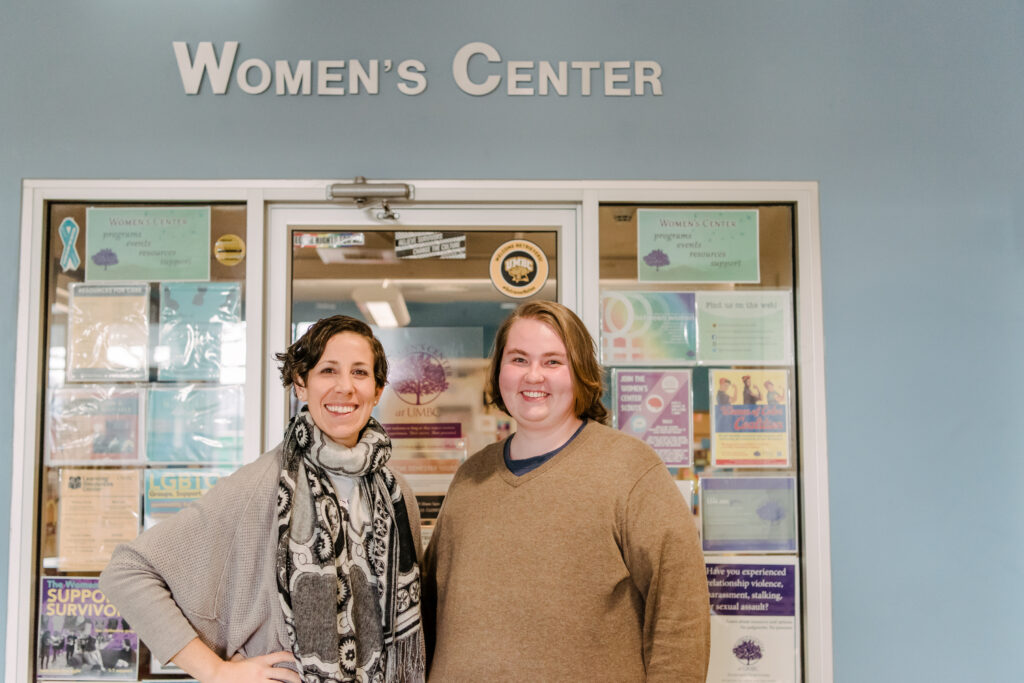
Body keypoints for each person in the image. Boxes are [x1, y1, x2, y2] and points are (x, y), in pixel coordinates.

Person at [101, 315, 425, 683]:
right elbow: (126, 572)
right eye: (328, 371)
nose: (345, 387)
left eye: (360, 373)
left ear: (378, 390)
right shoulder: (263, 484)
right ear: (301, 385)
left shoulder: (397, 494)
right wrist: (214, 671)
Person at [423, 301, 709, 681]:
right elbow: (428, 608)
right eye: (519, 359)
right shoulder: (471, 477)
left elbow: (679, 614)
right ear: (499, 372)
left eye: (553, 362)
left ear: (580, 373)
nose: (533, 376)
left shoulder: (631, 470)